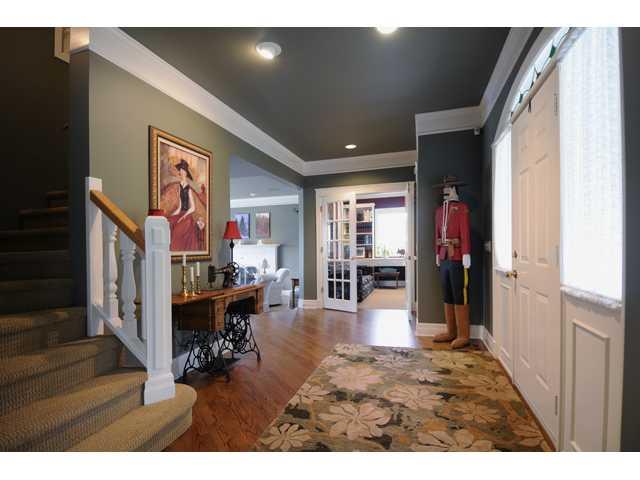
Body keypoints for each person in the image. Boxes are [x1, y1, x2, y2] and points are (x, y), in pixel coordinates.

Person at [167, 159, 199, 252]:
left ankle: (176, 252)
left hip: (187, 216)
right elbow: (180, 206)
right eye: (180, 170)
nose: (180, 172)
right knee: (169, 222)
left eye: (182, 170)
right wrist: (172, 215)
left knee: (177, 230)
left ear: (185, 173)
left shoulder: (189, 188)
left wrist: (184, 216)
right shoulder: (179, 187)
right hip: (181, 213)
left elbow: (193, 207)